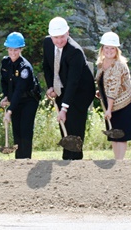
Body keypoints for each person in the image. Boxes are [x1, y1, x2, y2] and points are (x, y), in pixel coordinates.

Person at [43, 17, 95, 160]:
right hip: (62, 88)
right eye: (56, 37)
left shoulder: (75, 51)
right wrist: (50, 87)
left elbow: (73, 82)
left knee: (74, 126)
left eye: (62, 37)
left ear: (68, 32)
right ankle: (67, 157)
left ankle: (76, 160)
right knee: (64, 125)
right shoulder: (47, 43)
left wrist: (64, 109)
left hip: (81, 92)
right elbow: (47, 66)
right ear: (51, 36)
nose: (59, 41)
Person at [95, 31, 131, 160]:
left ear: (116, 50)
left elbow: (113, 88)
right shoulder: (101, 65)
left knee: (121, 135)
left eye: (112, 48)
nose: (109, 50)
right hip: (111, 104)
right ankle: (117, 159)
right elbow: (104, 83)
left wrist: (108, 109)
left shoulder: (118, 65)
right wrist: (101, 92)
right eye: (106, 47)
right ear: (102, 49)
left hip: (124, 105)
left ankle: (120, 161)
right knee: (113, 134)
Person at [0, 32, 40, 159]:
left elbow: (19, 90)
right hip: (16, 100)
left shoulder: (25, 68)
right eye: (10, 49)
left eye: (15, 50)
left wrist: (9, 111)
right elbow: (5, 82)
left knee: (25, 130)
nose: (12, 53)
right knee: (16, 130)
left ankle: (26, 159)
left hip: (29, 100)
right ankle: (19, 159)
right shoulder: (6, 63)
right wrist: (6, 96)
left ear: (21, 49)